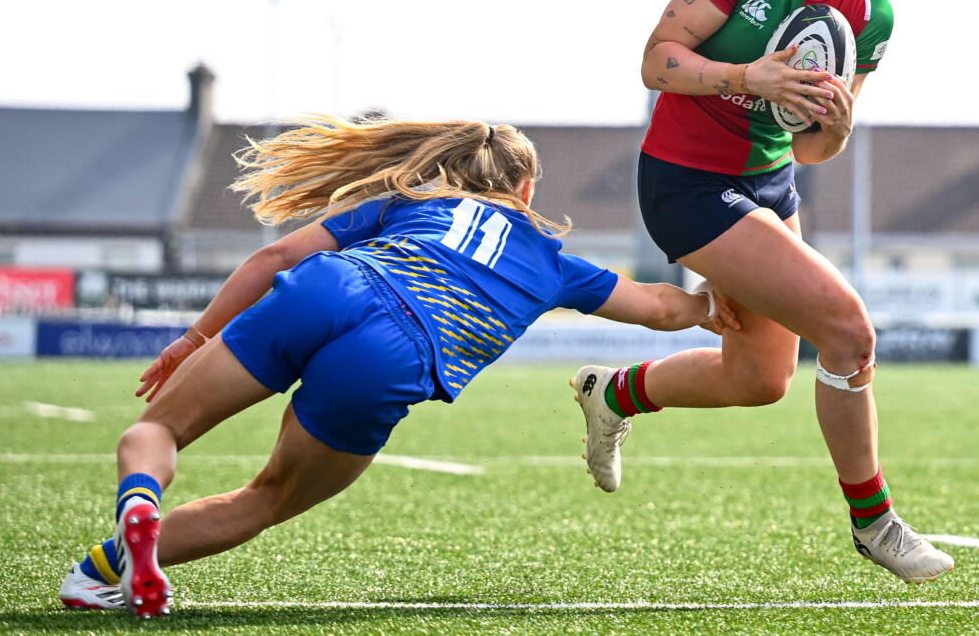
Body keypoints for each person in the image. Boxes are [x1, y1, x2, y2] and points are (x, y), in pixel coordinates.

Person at [57, 117, 737, 617]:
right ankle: (113, 566)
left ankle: (128, 523)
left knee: (158, 430)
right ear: (527, 189)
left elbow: (274, 257)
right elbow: (661, 307)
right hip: (397, 355)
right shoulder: (554, 263)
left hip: (332, 287)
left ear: (457, 173)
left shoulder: (411, 202)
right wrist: (721, 298)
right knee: (268, 498)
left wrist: (193, 337)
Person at [569, 0, 954, 584]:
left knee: (759, 380)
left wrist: (837, 129)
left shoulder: (871, 12)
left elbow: (812, 150)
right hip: (685, 183)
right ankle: (875, 524)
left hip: (770, 185)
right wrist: (747, 76)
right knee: (849, 332)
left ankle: (612, 392)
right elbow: (656, 60)